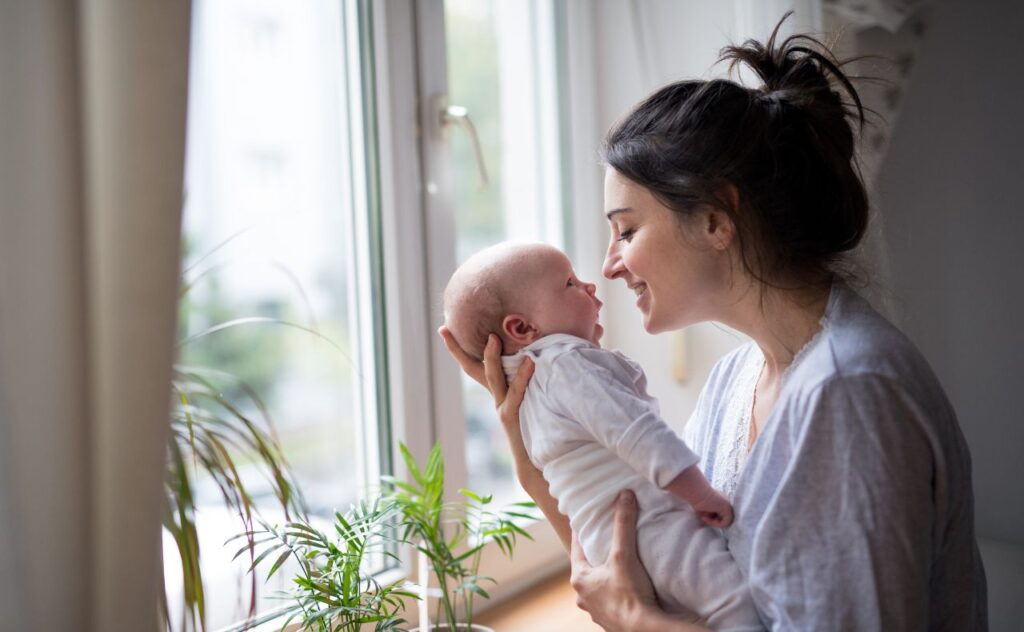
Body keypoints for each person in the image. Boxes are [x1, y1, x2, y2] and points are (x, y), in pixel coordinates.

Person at [439, 15, 987, 632]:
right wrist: (528, 426)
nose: (609, 265)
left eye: (626, 229)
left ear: (715, 221)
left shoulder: (850, 396)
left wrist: (636, 623)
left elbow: (641, 606)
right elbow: (634, 553)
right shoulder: (736, 380)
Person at [443, 241, 761, 629]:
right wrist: (701, 494)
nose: (591, 285)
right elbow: (641, 436)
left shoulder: (523, 397)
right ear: (523, 327)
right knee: (735, 605)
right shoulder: (566, 365)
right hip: (656, 531)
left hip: (608, 551)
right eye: (570, 283)